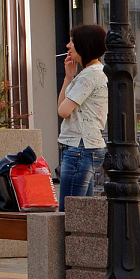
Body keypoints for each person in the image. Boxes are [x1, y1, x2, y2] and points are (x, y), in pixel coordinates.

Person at [57, 23, 109, 210]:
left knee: (71, 212)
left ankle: (71, 241)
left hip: (79, 147)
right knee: (83, 213)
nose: (68, 46)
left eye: (72, 41)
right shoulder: (91, 73)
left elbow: (63, 111)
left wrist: (72, 81)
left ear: (84, 45)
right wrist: (68, 78)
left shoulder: (90, 76)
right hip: (83, 146)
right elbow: (61, 108)